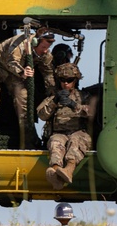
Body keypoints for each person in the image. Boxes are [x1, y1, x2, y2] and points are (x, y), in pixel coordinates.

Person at [0, 31, 55, 149]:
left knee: (23, 100)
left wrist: (52, 90)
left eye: (48, 48)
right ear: (35, 42)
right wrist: (23, 72)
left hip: (15, 71)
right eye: (43, 47)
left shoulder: (45, 54)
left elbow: (48, 73)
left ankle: (27, 141)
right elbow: (11, 62)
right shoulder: (20, 45)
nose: (45, 51)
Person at [37, 62, 93, 190]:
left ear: (75, 80)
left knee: (75, 140)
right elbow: (41, 115)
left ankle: (69, 169)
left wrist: (74, 105)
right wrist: (55, 102)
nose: (65, 83)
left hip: (79, 132)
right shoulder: (54, 97)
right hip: (59, 133)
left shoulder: (84, 96)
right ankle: (55, 171)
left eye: (69, 80)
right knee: (55, 142)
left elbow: (92, 112)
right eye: (62, 80)